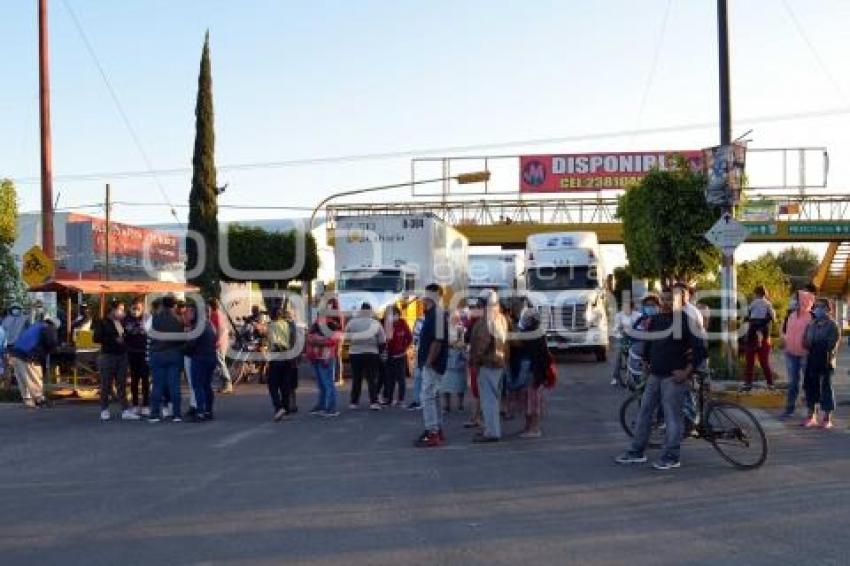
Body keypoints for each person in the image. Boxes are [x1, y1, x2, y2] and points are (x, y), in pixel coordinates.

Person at [616, 289, 707, 470]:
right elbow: (650, 343)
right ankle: (636, 451)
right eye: (663, 299)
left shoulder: (686, 322)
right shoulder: (656, 320)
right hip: (654, 375)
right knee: (644, 413)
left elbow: (701, 350)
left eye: (670, 300)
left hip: (673, 378)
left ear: (680, 302)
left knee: (672, 418)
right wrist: (646, 362)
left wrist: (686, 372)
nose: (666, 302)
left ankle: (671, 456)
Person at [469, 290, 510, 443]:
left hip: (488, 363)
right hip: (498, 363)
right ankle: (491, 429)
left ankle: (492, 432)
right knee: (493, 399)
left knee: (489, 400)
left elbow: (482, 343)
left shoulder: (488, 320)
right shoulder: (501, 318)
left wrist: (476, 360)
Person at [414, 284, 450, 447]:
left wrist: (429, 361)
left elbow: (438, 340)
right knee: (433, 397)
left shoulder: (437, 314)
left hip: (433, 364)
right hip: (432, 362)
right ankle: (436, 429)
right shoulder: (432, 314)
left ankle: (432, 432)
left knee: (427, 396)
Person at [94, 300, 138, 421]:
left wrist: (129, 334)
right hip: (108, 355)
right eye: (120, 309)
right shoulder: (102, 322)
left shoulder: (121, 322)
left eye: (123, 309)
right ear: (113, 310)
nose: (122, 312)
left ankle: (125, 410)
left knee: (122, 384)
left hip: (122, 355)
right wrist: (113, 339)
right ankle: (104, 409)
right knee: (106, 384)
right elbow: (96, 338)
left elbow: (125, 336)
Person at [801, 298, 840, 429]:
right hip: (811, 360)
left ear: (828, 309)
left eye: (821, 307)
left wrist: (815, 344)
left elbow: (830, 344)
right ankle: (811, 416)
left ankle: (827, 418)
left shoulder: (832, 325)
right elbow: (806, 342)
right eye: (816, 306)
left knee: (826, 388)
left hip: (825, 362)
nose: (817, 309)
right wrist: (807, 343)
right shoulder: (811, 324)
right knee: (810, 388)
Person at [512, 308, 551, 438]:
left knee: (532, 401)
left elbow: (542, 357)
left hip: (533, 373)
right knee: (530, 400)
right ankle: (529, 427)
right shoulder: (538, 334)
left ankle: (533, 429)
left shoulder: (529, 335)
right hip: (535, 373)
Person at [148, 295, 186, 423]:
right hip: (174, 354)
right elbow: (183, 339)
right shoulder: (179, 320)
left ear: (163, 305)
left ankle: (154, 414)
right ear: (175, 306)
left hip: (158, 354)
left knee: (157, 386)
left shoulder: (155, 318)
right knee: (174, 386)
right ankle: (177, 414)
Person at [9, 316, 59, 409]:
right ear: (54, 325)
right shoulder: (48, 328)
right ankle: (39, 399)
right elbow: (51, 343)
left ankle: (28, 400)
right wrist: (55, 350)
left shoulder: (35, 326)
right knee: (34, 376)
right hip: (28, 355)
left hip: (15, 353)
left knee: (23, 379)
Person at [780, 289, 814, 418]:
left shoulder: (812, 317)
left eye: (796, 298)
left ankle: (810, 411)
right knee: (793, 383)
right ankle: (789, 408)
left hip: (806, 354)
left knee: (808, 383)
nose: (793, 301)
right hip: (790, 353)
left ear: (804, 301)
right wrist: (784, 339)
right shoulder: (791, 315)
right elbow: (785, 331)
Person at [345, 303, 386, 410]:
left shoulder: (352, 322)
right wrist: (379, 352)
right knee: (372, 379)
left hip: (355, 353)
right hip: (371, 353)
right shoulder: (375, 323)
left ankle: (354, 402)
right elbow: (382, 341)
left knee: (356, 378)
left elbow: (347, 338)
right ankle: (373, 402)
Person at [185, 303, 217, 422]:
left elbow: (191, 344)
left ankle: (200, 412)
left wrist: (185, 348)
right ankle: (208, 410)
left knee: (198, 385)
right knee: (207, 385)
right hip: (211, 357)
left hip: (199, 358)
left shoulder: (198, 327)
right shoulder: (211, 325)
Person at [306, 313, 342, 417]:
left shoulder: (324, 325)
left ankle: (329, 407)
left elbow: (311, 338)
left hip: (321, 358)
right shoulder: (326, 325)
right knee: (324, 384)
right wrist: (321, 340)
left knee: (325, 384)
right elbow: (332, 340)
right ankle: (324, 406)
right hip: (321, 358)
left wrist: (316, 340)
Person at [743, 285, 776, 391]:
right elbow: (773, 317)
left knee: (750, 362)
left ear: (756, 294)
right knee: (764, 362)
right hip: (764, 333)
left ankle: (748, 384)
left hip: (753, 332)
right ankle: (770, 383)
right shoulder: (768, 303)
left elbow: (746, 316)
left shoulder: (753, 303)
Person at [266, 307, 295, 421]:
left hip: (277, 355)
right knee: (285, 384)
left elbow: (274, 341)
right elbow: (292, 339)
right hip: (287, 355)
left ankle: (279, 408)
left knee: (273, 385)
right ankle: (286, 409)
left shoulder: (272, 326)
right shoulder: (287, 324)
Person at [123, 298, 150, 416]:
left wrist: (141, 328)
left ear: (142, 308)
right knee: (134, 379)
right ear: (130, 308)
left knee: (145, 379)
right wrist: (136, 329)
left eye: (138, 308)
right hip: (132, 352)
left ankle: (145, 404)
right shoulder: (126, 319)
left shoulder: (148, 318)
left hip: (145, 352)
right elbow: (125, 332)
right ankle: (134, 404)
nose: (136, 311)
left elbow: (149, 332)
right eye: (134, 308)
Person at [382, 305, 412, 406]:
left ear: (399, 315)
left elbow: (409, 337)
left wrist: (404, 348)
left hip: (400, 355)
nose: (394, 316)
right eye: (391, 315)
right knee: (389, 379)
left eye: (395, 314)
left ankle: (401, 399)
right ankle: (389, 399)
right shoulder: (386, 325)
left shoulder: (403, 323)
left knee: (401, 378)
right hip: (389, 356)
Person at [441, 307, 468, 412]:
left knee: (460, 383)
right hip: (447, 357)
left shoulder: (461, 329)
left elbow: (464, 342)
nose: (456, 318)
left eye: (457, 316)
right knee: (445, 383)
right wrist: (451, 344)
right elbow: (442, 342)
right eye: (454, 316)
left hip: (459, 357)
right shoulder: (444, 329)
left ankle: (460, 404)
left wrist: (460, 344)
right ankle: (447, 405)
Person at [610, 300, 640, 386]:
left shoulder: (638, 315)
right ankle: (615, 377)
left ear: (632, 307)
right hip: (622, 338)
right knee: (617, 356)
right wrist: (621, 331)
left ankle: (635, 375)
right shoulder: (619, 315)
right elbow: (615, 329)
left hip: (635, 339)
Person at [209, 298, 233, 394]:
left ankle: (228, 384)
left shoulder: (217, 315)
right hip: (220, 341)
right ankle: (224, 384)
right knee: (219, 363)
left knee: (220, 362)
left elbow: (222, 329)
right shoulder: (217, 314)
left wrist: (218, 340)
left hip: (219, 342)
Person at [406, 313, 426, 411]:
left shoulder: (422, 319)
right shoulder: (421, 319)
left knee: (422, 377)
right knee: (419, 376)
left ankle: (420, 401)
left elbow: (415, 337)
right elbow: (415, 336)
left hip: (423, 351)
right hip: (421, 351)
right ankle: (418, 400)